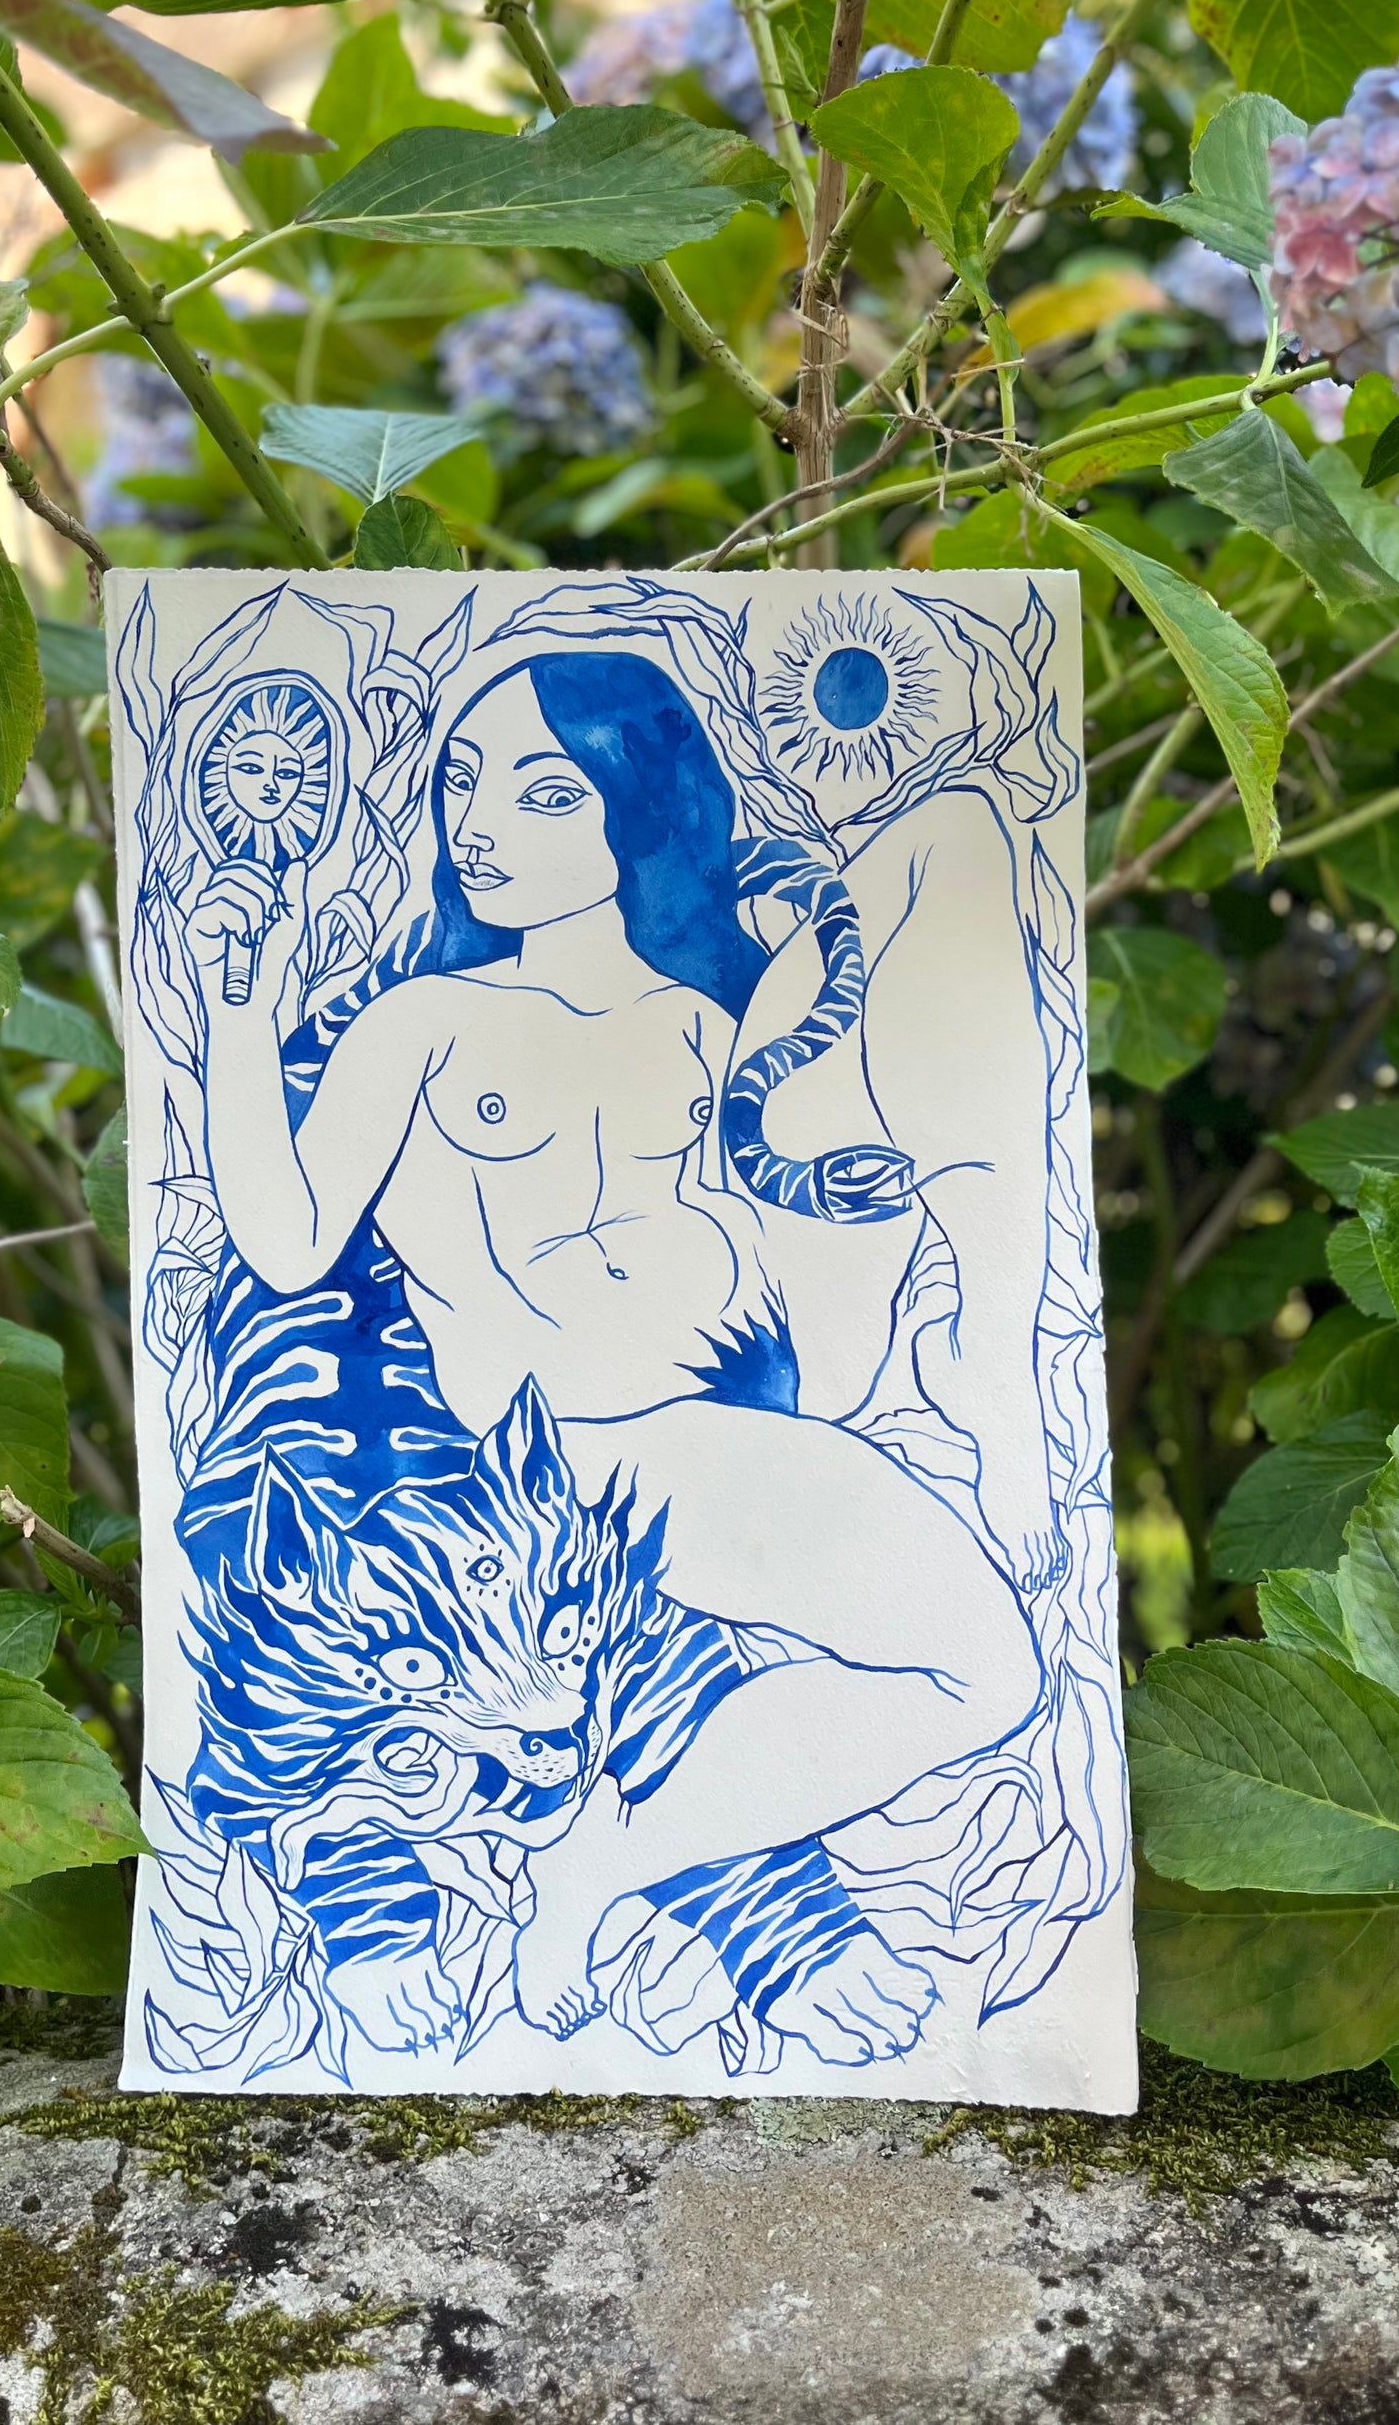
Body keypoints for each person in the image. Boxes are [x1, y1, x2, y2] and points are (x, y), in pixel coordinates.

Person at [191, 648, 1047, 2041]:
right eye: (463, 784)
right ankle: (614, 1866)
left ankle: (608, 1860)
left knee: (994, 1673)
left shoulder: (706, 1018)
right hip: (564, 1460)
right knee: (982, 1671)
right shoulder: (427, 1022)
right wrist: (238, 1014)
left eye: (545, 794)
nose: (481, 826)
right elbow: (288, 1242)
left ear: (635, 810)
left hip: (724, 1427)